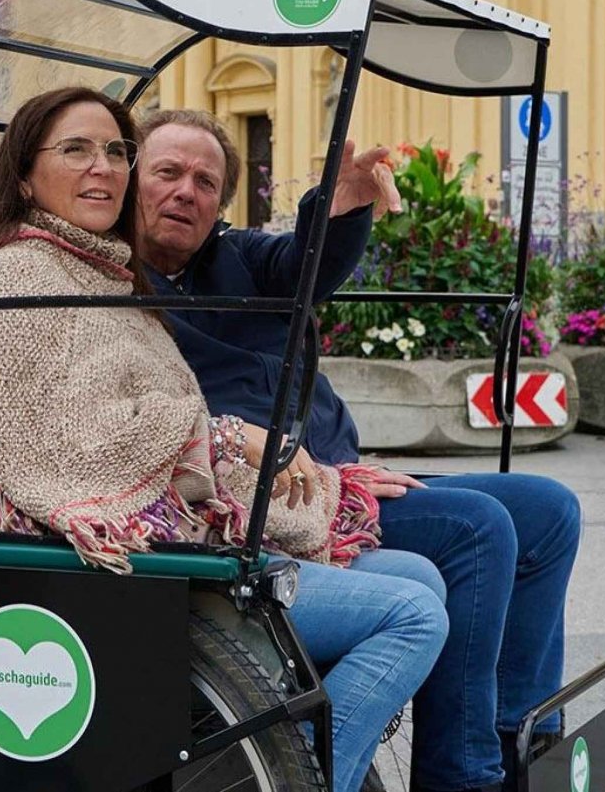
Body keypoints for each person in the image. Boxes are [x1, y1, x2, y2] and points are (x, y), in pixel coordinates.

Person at [0, 87, 446, 792]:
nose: (103, 167)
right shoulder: (15, 274)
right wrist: (229, 437)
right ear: (24, 174)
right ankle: (294, 777)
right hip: (115, 556)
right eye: (77, 150)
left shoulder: (98, 270)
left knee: (420, 578)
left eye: (116, 151)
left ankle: (277, 763)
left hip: (171, 535)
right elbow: (66, 446)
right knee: (413, 614)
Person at [128, 107, 580, 792]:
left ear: (221, 203)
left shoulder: (236, 258)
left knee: (549, 509)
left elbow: (308, 263)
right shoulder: (120, 286)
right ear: (133, 178)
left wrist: (337, 210)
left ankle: (520, 741)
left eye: (206, 181)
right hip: (276, 500)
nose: (185, 191)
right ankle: (463, 776)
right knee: (478, 529)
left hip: (340, 479)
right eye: (168, 172)